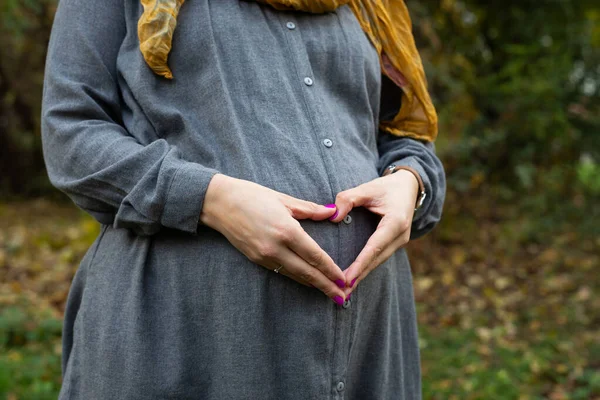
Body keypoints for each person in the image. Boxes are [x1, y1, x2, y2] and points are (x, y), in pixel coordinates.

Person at [41, 0, 446, 398]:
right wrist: (209, 198)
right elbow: (71, 132)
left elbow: (403, 133)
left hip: (370, 341)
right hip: (185, 331)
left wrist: (410, 181)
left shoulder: (370, 4)